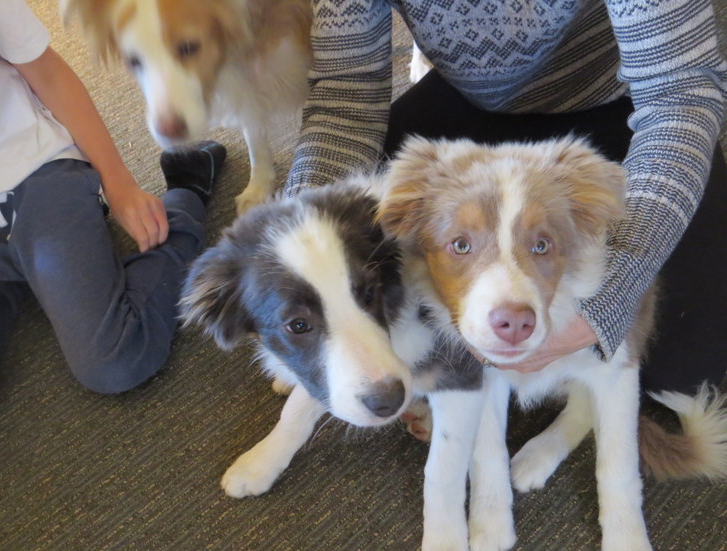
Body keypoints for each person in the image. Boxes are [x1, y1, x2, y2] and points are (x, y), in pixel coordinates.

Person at [284, 0, 727, 396]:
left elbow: (680, 95)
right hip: (467, 107)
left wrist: (615, 290)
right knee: (368, 260)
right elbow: (346, 96)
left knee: (685, 374)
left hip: (618, 108)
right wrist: (297, 244)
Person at [0, 0, 226, 441]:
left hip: (33, 167)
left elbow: (45, 70)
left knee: (115, 362)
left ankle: (187, 192)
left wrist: (119, 184)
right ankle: (18, 281)